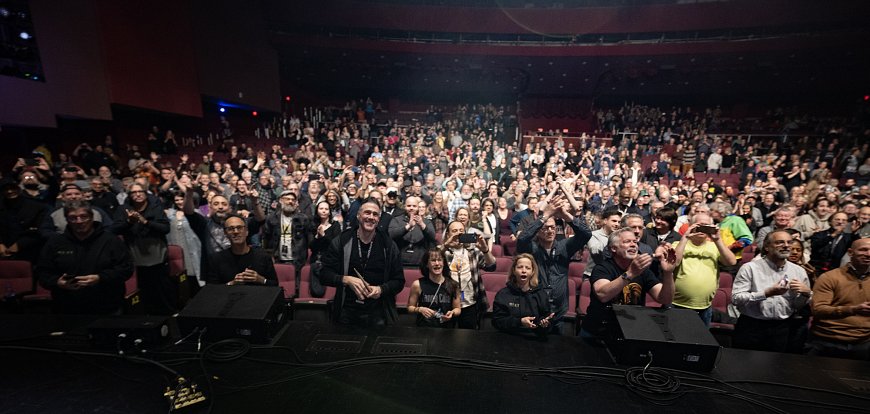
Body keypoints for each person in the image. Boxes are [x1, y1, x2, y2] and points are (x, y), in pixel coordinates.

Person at [35, 201, 133, 314]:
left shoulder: (111, 240)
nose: (79, 221)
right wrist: (57, 282)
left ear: (91, 217)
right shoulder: (55, 242)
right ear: (67, 219)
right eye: (73, 218)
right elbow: (43, 273)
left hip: (106, 305)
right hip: (66, 306)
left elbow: (126, 269)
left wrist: (100, 278)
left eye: (83, 216)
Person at [319, 199, 405, 327]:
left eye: (375, 214)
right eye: (367, 213)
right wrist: (346, 279)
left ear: (379, 219)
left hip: (378, 313)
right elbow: (324, 275)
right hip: (346, 311)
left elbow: (399, 281)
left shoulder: (388, 245)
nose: (371, 217)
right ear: (358, 216)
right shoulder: (342, 241)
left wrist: (381, 289)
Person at [581, 227, 678, 339]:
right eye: (627, 242)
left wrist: (668, 273)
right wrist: (631, 273)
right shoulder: (603, 268)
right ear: (613, 248)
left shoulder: (643, 271)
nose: (633, 245)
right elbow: (602, 295)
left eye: (635, 242)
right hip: (598, 334)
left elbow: (665, 299)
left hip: (629, 331)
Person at [517, 189, 592, 332]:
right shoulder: (532, 248)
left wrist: (565, 215)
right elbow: (522, 239)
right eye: (545, 228)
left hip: (559, 310)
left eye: (553, 228)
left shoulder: (564, 246)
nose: (550, 231)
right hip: (534, 308)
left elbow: (586, 234)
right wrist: (545, 216)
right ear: (538, 230)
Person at [731, 230, 813, 353]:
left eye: (789, 242)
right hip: (752, 327)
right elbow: (736, 299)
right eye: (780, 242)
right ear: (767, 247)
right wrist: (766, 294)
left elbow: (796, 306)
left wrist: (806, 295)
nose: (786, 246)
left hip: (782, 328)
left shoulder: (798, 271)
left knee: (776, 364)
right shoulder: (750, 268)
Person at [111, 183, 174, 315]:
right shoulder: (123, 209)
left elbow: (165, 228)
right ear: (129, 195)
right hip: (137, 259)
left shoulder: (156, 207)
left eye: (140, 191)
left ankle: (168, 316)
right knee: (144, 293)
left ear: (146, 193)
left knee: (162, 291)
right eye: (134, 192)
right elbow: (114, 230)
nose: (138, 194)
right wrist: (129, 222)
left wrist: (145, 222)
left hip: (158, 257)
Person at [806, 238, 870, 360]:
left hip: (864, 343)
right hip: (827, 341)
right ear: (850, 252)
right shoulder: (829, 277)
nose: (868, 254)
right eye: (863, 250)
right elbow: (818, 310)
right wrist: (852, 310)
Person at [672, 213, 737, 326]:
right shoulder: (678, 244)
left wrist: (717, 240)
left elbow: (731, 262)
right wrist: (685, 237)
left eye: (706, 226)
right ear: (691, 226)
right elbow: (674, 262)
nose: (702, 229)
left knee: (702, 337)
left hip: (705, 307)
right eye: (699, 225)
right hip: (677, 305)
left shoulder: (714, 246)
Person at [443, 219, 496, 329]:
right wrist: (446, 245)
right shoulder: (443, 252)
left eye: (461, 231)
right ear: (448, 234)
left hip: (470, 303)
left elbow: (491, 266)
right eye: (454, 231)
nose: (458, 233)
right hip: (447, 302)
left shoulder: (473, 251)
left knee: (468, 335)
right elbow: (428, 263)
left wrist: (485, 250)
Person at [492, 253, 555, 337]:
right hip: (508, 337)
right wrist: (520, 322)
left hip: (533, 337)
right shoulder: (503, 294)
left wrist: (544, 323)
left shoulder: (541, 294)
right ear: (514, 270)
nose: (524, 270)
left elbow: (547, 318)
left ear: (532, 272)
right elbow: (497, 321)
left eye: (528, 268)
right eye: (520, 267)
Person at [205, 215, 277, 286]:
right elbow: (211, 289)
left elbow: (275, 285)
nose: (236, 232)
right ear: (225, 233)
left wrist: (261, 280)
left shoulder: (263, 256)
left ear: (247, 231)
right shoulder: (216, 259)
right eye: (230, 229)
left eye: (239, 228)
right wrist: (232, 284)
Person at [407, 248, 461, 328]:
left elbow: (457, 308)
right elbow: (410, 307)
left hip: (447, 329)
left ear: (444, 263)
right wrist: (419, 309)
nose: (437, 263)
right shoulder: (417, 284)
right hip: (424, 328)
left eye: (439, 260)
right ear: (426, 264)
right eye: (433, 260)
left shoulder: (453, 285)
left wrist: (452, 313)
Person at [388, 196, 436, 267]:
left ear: (418, 207)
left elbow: (432, 237)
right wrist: (408, 227)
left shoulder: (426, 222)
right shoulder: (396, 220)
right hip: (399, 263)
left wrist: (422, 224)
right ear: (405, 206)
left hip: (420, 263)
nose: (411, 208)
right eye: (409, 206)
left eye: (414, 206)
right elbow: (390, 234)